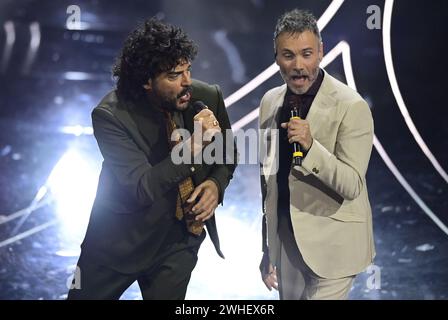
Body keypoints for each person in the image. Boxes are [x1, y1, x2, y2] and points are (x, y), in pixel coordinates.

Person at [68, 17, 237, 300]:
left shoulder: (208, 96)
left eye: (188, 70)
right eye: (173, 75)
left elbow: (228, 151)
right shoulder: (110, 116)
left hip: (178, 242)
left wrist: (215, 186)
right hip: (117, 242)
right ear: (146, 81)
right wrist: (193, 146)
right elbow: (141, 188)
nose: (187, 83)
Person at [258, 9, 375, 300]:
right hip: (287, 245)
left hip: (334, 247)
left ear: (321, 53)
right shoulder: (270, 102)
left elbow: (352, 185)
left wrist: (311, 147)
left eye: (306, 54)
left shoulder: (351, 106)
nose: (298, 65)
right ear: (276, 57)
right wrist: (268, 249)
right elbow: (268, 182)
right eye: (288, 55)